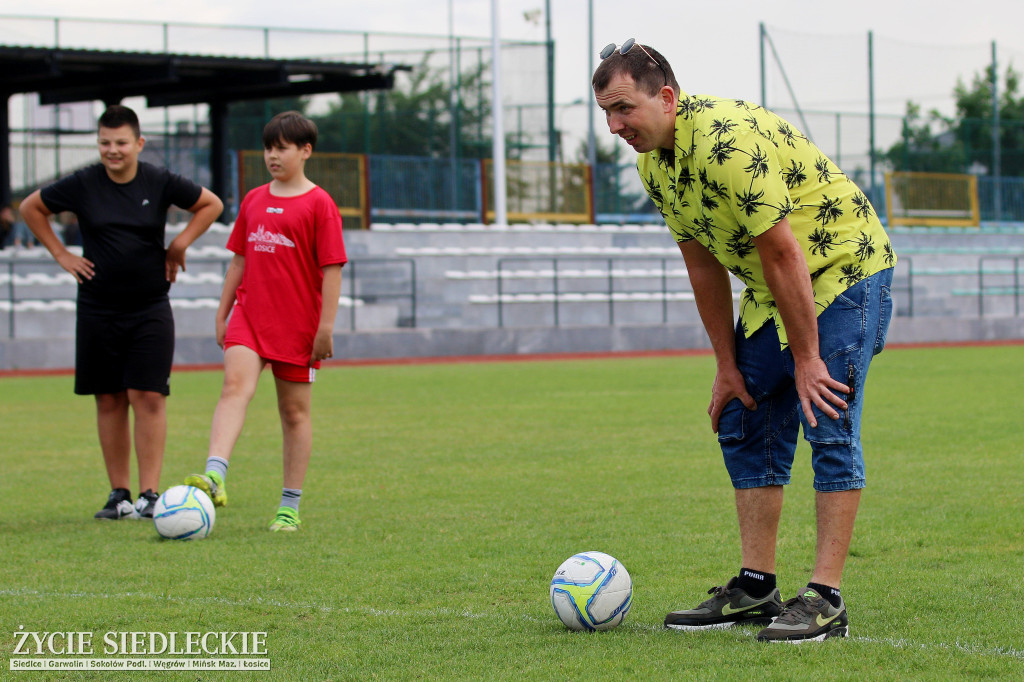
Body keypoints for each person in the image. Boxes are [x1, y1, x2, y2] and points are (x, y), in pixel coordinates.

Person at [593, 40, 896, 642]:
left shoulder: (728, 143)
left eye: (623, 108)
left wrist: (807, 359)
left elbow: (784, 250)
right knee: (743, 417)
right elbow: (701, 265)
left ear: (667, 97)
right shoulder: (653, 163)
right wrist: (726, 365)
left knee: (828, 417)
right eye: (605, 112)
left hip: (841, 270)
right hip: (771, 286)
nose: (614, 126)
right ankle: (757, 587)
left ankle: (826, 599)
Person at [19, 105, 223, 520]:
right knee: (109, 399)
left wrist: (180, 244)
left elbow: (211, 205)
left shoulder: (159, 180)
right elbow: (30, 208)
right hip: (97, 308)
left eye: (121, 143)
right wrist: (61, 253)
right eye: (105, 143)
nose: (113, 151)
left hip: (149, 306)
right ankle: (120, 495)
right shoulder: (83, 183)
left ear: (139, 144)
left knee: (148, 396)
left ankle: (149, 494)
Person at [185, 111, 346, 532]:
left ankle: (289, 506)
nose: (272, 156)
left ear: (305, 151)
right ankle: (215, 474)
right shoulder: (254, 199)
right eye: (268, 147)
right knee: (235, 387)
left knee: (293, 414)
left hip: (298, 328)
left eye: (282, 148)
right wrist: (222, 312)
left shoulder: (320, 204)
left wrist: (325, 328)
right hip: (250, 316)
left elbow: (332, 270)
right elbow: (239, 260)